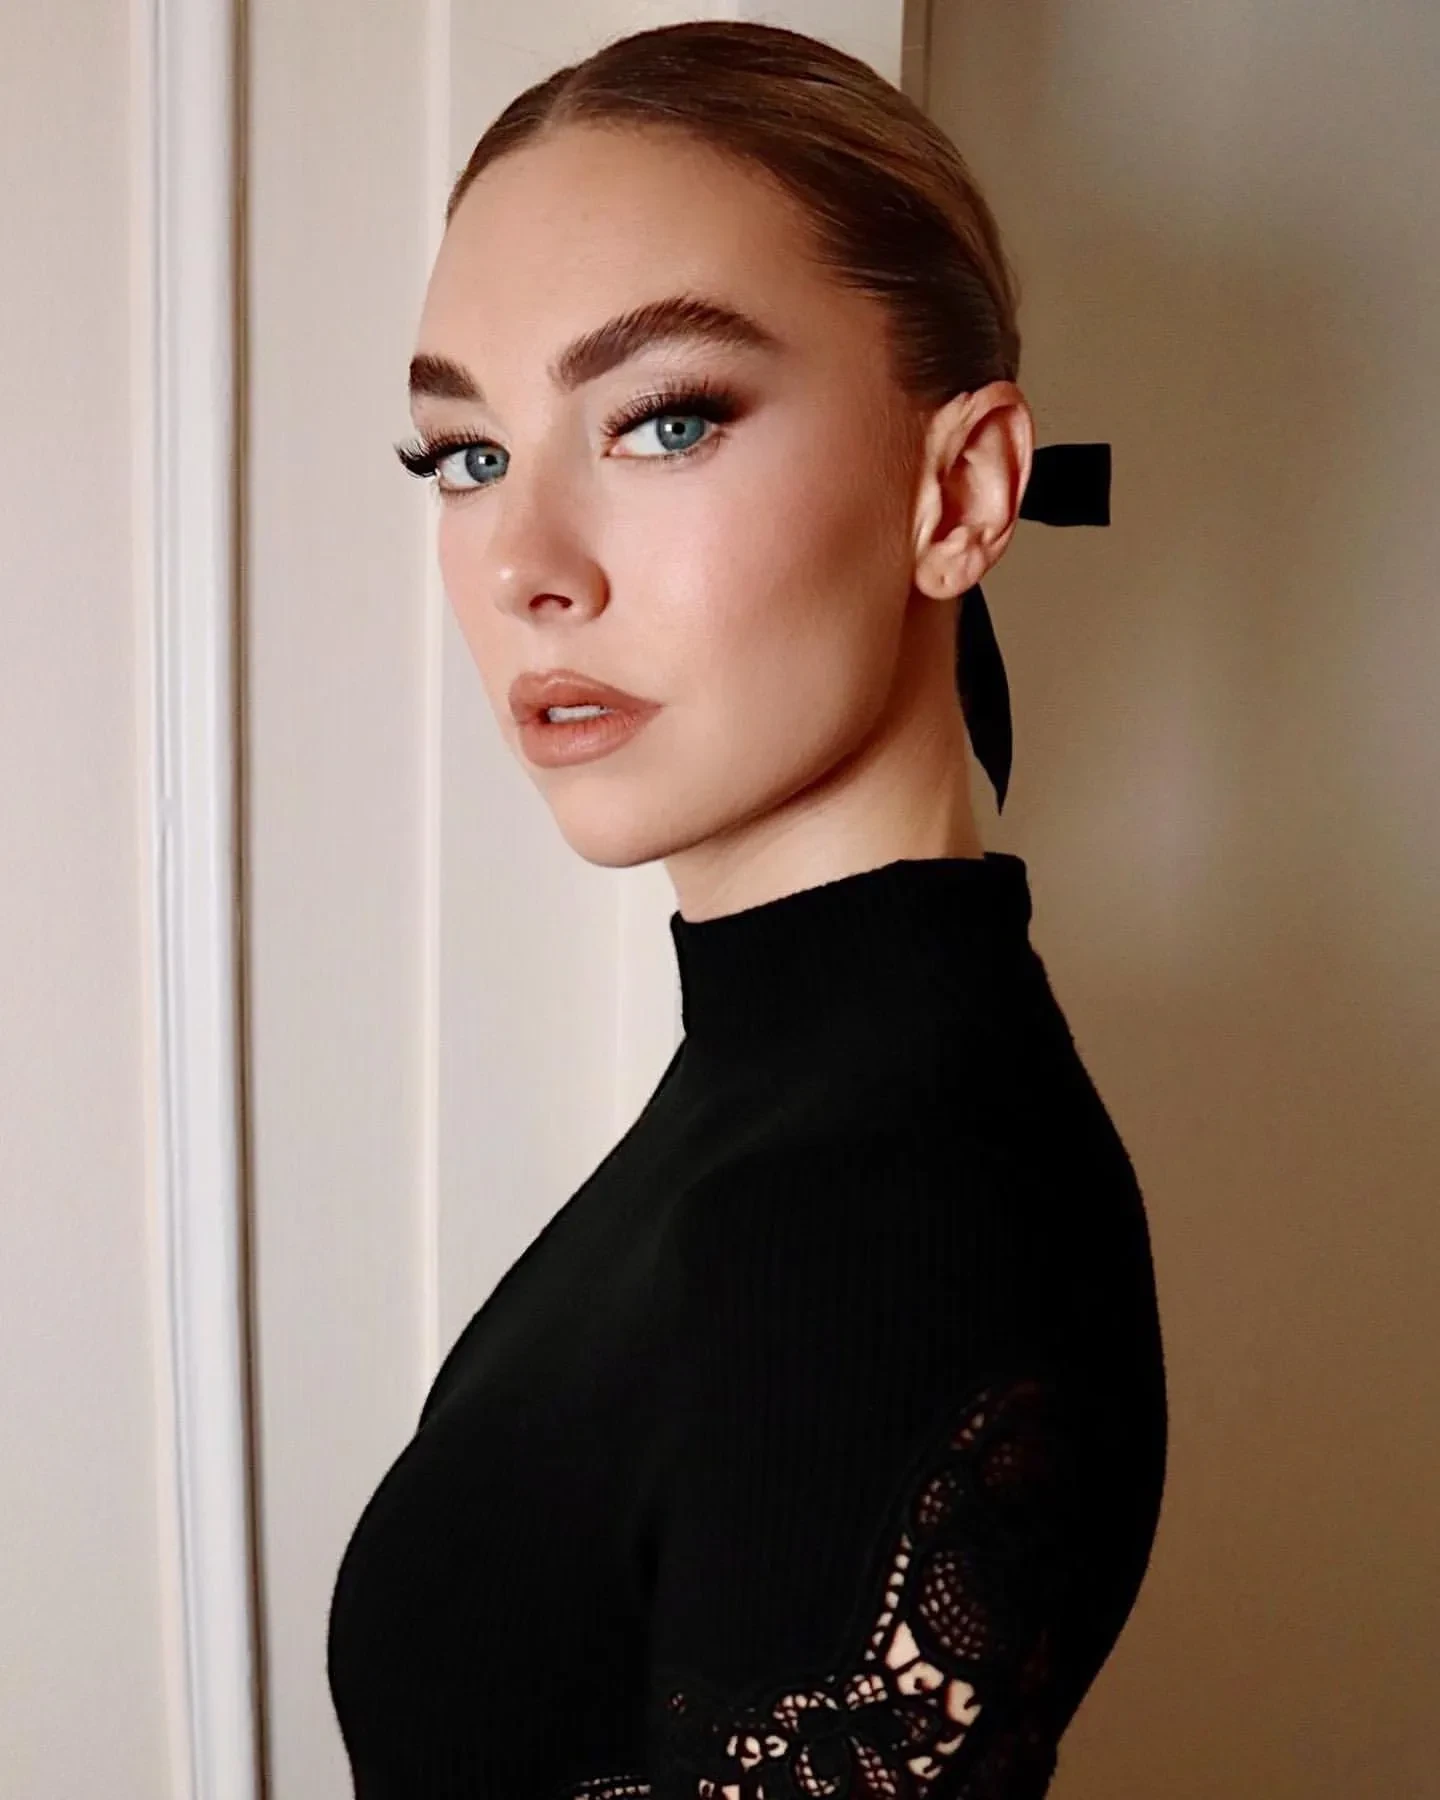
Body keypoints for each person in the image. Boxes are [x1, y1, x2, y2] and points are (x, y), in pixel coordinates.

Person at [326, 20, 1167, 1800]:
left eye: (664, 420)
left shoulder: (885, 1203)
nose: (523, 563)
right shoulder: (791, 1094)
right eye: (464, 454)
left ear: (960, 490)